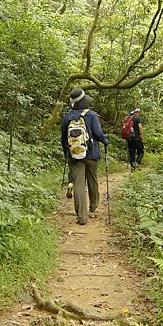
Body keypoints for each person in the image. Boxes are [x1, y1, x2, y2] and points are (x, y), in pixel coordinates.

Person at [61, 87, 109, 225]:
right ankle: (93, 209)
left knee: (79, 185)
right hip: (92, 154)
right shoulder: (92, 115)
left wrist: (67, 153)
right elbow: (99, 134)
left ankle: (82, 217)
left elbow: (63, 139)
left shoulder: (67, 117)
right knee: (92, 180)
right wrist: (105, 141)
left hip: (74, 155)